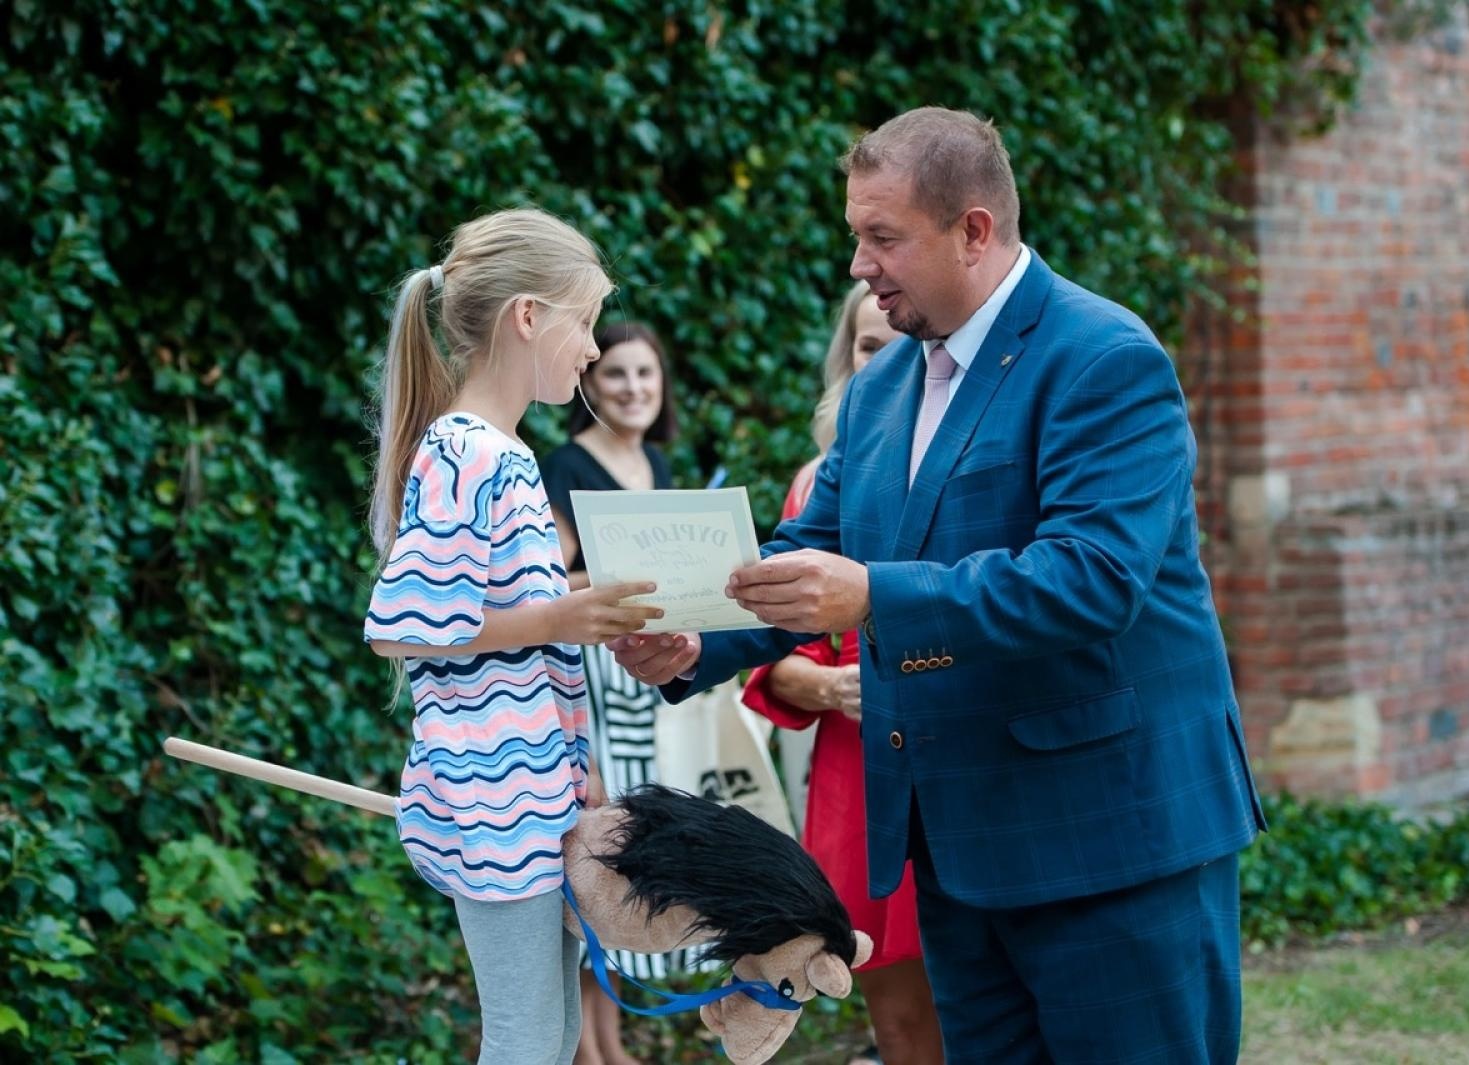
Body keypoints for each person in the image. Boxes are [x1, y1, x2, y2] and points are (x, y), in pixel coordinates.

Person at [610, 108, 1267, 1064]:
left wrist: (876, 595)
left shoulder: (1105, 358)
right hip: (956, 856)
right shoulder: (878, 395)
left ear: (973, 229)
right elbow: (808, 550)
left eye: (883, 237)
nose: (858, 266)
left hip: (1114, 844)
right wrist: (696, 642)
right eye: (854, 237)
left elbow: (1094, 579)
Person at [362, 208, 661, 1065]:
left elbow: (510, 631)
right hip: (491, 806)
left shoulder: (505, 453)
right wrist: (563, 615)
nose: (595, 349)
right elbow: (403, 624)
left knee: (555, 1033)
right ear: (528, 317)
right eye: (586, 320)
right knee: (527, 1039)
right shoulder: (468, 453)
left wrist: (577, 763)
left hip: (535, 796)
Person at [740, 281, 942, 1065]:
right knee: (884, 988)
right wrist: (829, 687)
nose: (881, 362)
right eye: (864, 347)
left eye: (895, 347)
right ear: (844, 362)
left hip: (947, 744)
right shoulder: (816, 481)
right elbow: (775, 664)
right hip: (853, 767)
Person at [540, 322, 684, 1065]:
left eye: (646, 375)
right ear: (591, 385)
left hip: (643, 681)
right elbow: (548, 587)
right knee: (592, 850)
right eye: (617, 374)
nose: (632, 388)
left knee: (628, 853)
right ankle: (589, 1050)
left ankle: (610, 1040)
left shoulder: (655, 462)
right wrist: (620, 581)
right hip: (586, 676)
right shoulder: (566, 463)